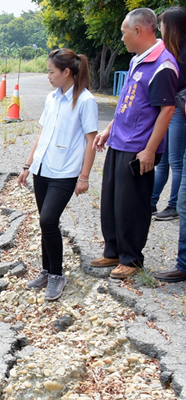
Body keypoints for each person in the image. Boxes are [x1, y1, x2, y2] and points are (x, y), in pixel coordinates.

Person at [92, 8, 178, 279]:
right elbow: (126, 102)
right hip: (120, 140)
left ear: (139, 31)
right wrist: (108, 128)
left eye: (124, 32)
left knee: (132, 204)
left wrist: (150, 150)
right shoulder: (137, 60)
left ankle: (131, 258)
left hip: (139, 145)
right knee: (112, 200)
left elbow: (167, 111)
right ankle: (113, 251)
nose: (122, 38)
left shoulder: (162, 65)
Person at [18, 49, 98, 301]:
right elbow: (42, 135)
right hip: (42, 169)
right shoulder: (52, 98)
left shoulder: (85, 101)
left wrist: (84, 177)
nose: (48, 76)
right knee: (45, 220)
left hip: (65, 172)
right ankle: (45, 270)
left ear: (66, 72)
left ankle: (57, 275)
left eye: (51, 71)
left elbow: (91, 140)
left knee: (48, 220)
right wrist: (27, 165)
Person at [152, 6, 186, 282]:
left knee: (173, 162)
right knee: (167, 161)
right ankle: (155, 202)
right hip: (174, 108)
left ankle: (171, 204)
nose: (160, 30)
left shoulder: (179, 54)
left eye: (162, 25)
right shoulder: (171, 52)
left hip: (178, 109)